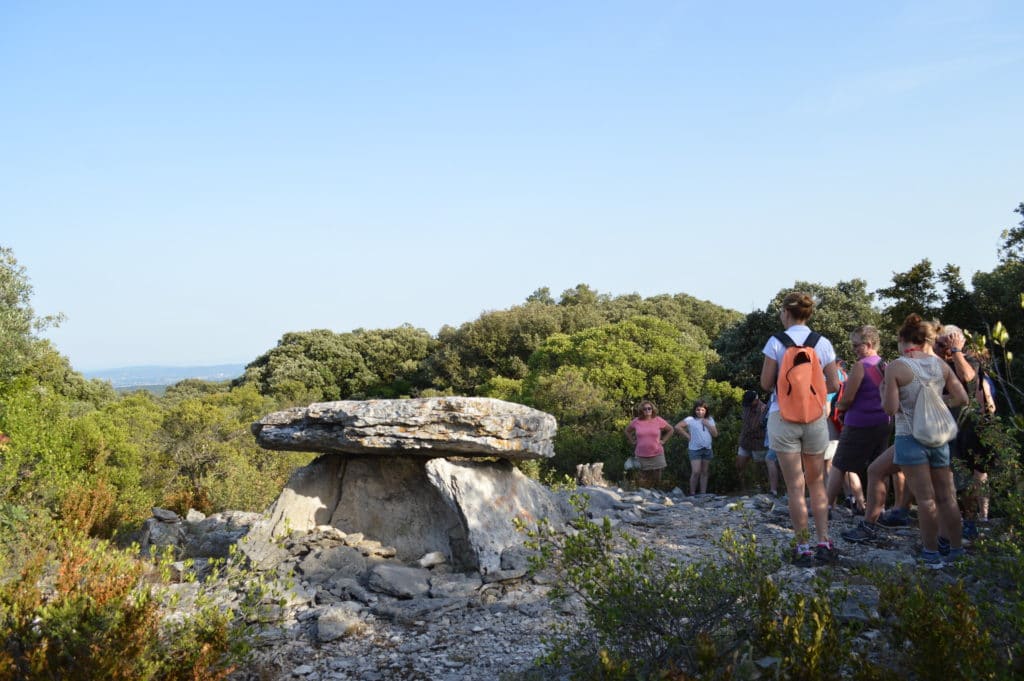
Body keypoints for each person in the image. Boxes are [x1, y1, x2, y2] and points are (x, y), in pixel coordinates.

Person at [760, 291, 841, 566]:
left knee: (795, 486)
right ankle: (824, 541)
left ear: (785, 312)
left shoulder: (775, 342)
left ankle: (803, 546)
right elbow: (834, 384)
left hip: (782, 416)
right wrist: (811, 391)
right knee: (817, 482)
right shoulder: (822, 343)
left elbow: (765, 383)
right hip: (814, 418)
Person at [881, 314, 968, 567]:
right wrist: (939, 402)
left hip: (910, 437)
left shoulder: (897, 366)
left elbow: (890, 409)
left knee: (925, 499)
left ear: (903, 339)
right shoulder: (939, 364)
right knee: (947, 497)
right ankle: (956, 550)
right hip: (938, 438)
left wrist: (884, 390)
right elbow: (962, 398)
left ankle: (931, 554)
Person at [936, 326, 996, 539]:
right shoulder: (935, 361)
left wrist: (956, 352)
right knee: (947, 476)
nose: (938, 348)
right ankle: (948, 522)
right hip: (942, 427)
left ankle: (970, 521)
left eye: (942, 344)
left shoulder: (968, 360)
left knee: (968, 475)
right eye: (937, 344)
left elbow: (969, 378)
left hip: (966, 427)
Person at [825, 326, 891, 515]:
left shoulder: (860, 366)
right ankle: (880, 508)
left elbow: (848, 397)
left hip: (859, 423)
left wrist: (839, 407)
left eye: (856, 345)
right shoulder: (885, 365)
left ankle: (826, 507)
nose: (853, 349)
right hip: (883, 421)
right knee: (881, 467)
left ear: (868, 344)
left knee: (839, 464)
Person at [736, 390, 779, 495]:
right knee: (739, 465)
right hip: (745, 442)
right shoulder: (746, 407)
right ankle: (742, 488)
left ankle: (763, 489)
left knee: (760, 468)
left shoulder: (764, 409)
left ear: (756, 400)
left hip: (758, 444)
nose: (748, 405)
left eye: (750, 402)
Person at [625, 400, 674, 489]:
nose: (647, 410)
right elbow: (627, 431)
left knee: (657, 477)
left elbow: (671, 430)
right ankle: (644, 494)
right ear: (641, 411)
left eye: (649, 408)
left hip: (657, 453)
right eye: (645, 409)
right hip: (641, 454)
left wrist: (663, 441)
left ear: (652, 409)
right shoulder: (636, 421)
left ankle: (657, 492)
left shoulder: (658, 420)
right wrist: (632, 441)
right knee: (643, 479)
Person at [676, 399, 718, 495]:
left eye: (702, 410)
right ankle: (692, 493)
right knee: (696, 472)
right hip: (695, 449)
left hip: (707, 449)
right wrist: (688, 436)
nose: (700, 412)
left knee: (705, 472)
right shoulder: (690, 419)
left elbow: (715, 434)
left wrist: (707, 424)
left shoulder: (710, 419)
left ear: (706, 410)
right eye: (698, 410)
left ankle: (703, 493)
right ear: (695, 410)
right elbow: (677, 427)